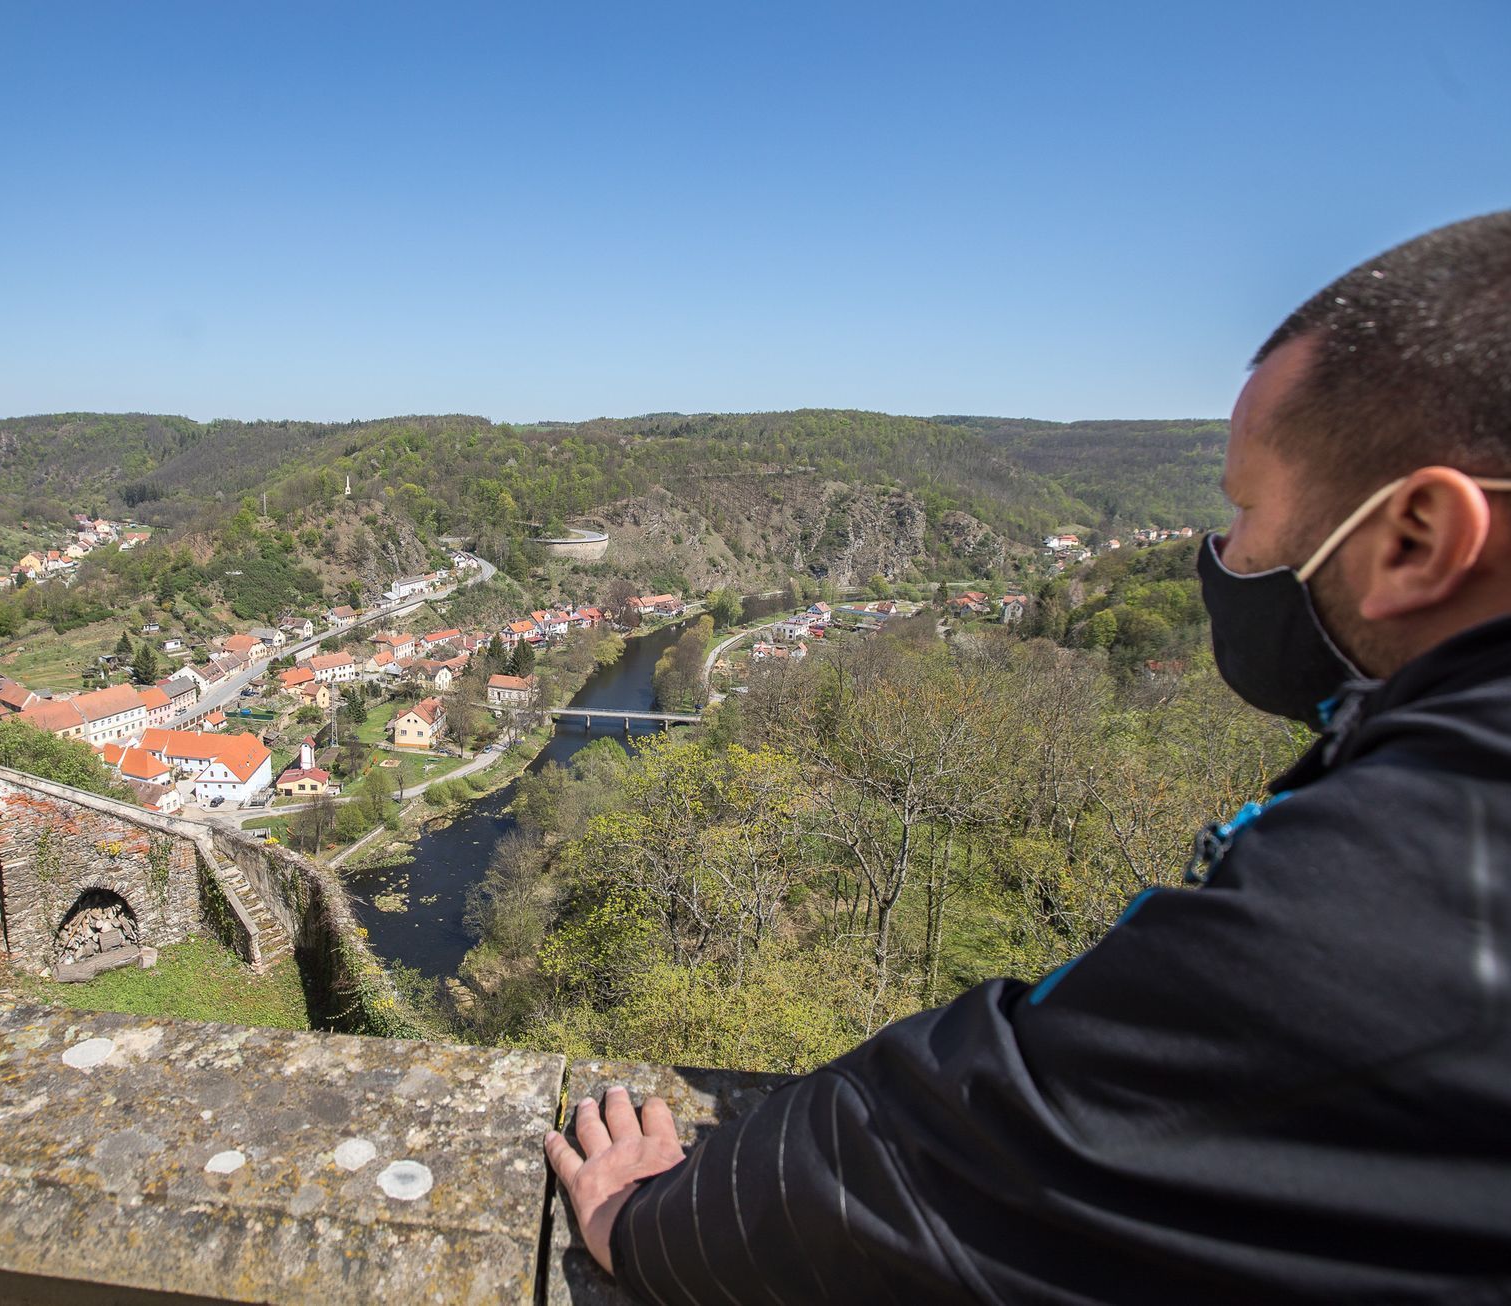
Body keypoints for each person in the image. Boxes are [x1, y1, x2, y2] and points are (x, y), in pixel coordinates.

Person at [545, 211, 1511, 1303]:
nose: (1222, 555)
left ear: (1419, 538)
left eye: (1243, 510)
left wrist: (645, 1220)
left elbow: (957, 1162)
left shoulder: (1418, 875)